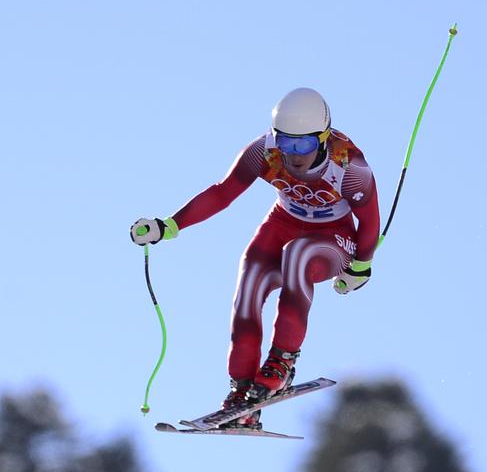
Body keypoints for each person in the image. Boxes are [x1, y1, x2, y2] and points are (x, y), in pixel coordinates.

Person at [130, 87, 380, 429]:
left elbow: (370, 219)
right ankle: (242, 392)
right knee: (249, 281)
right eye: (285, 142)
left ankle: (282, 363)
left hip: (333, 238)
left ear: (322, 138)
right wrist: (169, 225)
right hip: (284, 223)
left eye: (303, 145)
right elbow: (222, 192)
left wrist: (361, 265)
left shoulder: (348, 164)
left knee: (298, 254)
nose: (292, 155)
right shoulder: (264, 152)